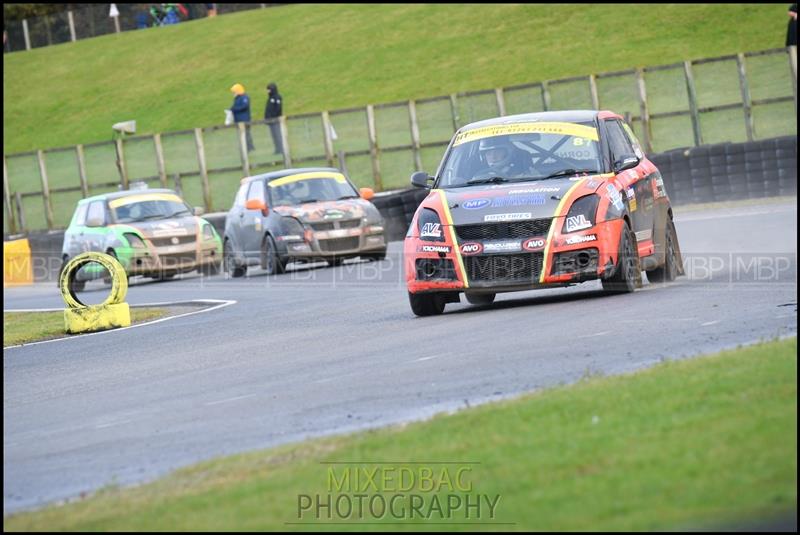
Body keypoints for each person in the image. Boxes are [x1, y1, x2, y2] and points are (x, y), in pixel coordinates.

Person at [230, 83, 254, 151]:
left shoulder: (244, 97)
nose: (233, 93)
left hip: (244, 120)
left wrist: (234, 109)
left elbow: (244, 106)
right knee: (241, 134)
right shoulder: (237, 99)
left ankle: (250, 147)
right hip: (238, 120)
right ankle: (244, 147)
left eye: (234, 91)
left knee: (247, 134)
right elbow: (235, 106)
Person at [264, 82, 284, 155]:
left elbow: (278, 108)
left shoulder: (277, 97)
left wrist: (274, 116)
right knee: (274, 135)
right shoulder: (270, 98)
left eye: (269, 89)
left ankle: (281, 148)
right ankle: (277, 148)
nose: (267, 91)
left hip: (275, 120)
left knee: (278, 134)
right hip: (271, 121)